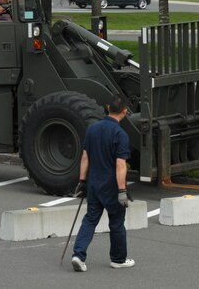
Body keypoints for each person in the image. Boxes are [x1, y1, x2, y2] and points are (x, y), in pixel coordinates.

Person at [71, 94, 134, 272]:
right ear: (125, 111)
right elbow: (120, 165)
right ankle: (118, 259)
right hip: (111, 187)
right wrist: (122, 191)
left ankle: (78, 254)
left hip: (93, 184)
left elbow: (85, 157)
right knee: (116, 223)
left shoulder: (92, 128)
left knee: (90, 220)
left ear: (107, 108)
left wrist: (82, 182)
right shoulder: (120, 134)